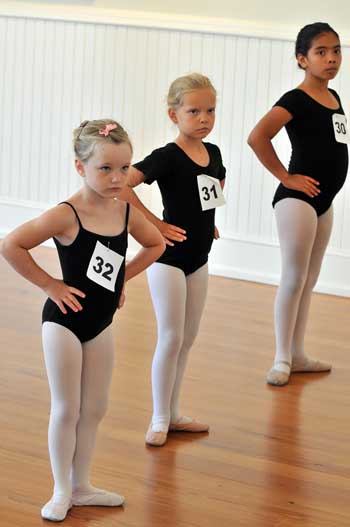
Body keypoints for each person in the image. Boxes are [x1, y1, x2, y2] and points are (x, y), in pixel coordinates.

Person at [0, 119, 165, 521]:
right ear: (80, 167)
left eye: (124, 169)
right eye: (105, 169)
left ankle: (82, 485)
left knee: (95, 407)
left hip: (101, 322)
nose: (116, 177)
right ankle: (60, 489)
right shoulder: (66, 214)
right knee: (66, 408)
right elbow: (11, 244)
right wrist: (50, 285)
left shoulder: (126, 212)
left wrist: (121, 277)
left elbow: (157, 243)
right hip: (64, 322)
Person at [120, 73, 226, 446]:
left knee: (189, 337)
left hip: (200, 257)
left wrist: (208, 221)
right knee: (171, 336)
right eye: (194, 110)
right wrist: (154, 225)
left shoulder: (213, 153)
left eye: (210, 110)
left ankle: (176, 411)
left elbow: (214, 186)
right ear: (173, 114)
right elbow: (123, 184)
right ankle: (159, 416)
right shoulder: (167, 156)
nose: (204, 118)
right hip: (168, 259)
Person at [247, 23, 348, 386]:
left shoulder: (335, 99)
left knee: (309, 279)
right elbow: (257, 137)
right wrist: (285, 177)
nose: (332, 58)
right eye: (321, 52)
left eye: (336, 50)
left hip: (325, 201)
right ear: (302, 59)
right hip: (298, 200)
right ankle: (281, 357)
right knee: (293, 277)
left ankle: (299, 353)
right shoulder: (295, 98)